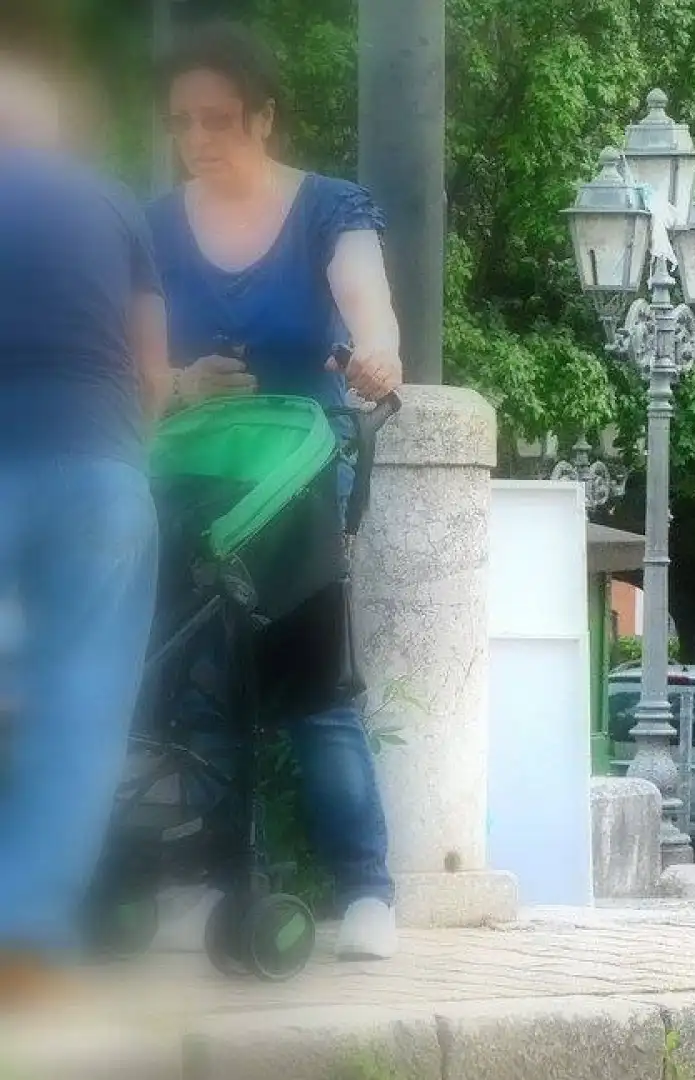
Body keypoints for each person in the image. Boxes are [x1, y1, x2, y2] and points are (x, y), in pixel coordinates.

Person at [147, 22, 404, 960]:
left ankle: (365, 891)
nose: (201, 139)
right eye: (183, 123)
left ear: (264, 117)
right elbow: (127, 357)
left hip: (296, 474)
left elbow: (367, 298)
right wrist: (175, 383)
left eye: (220, 120)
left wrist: (379, 347)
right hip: (190, 477)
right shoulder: (153, 224)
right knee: (199, 689)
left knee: (312, 686)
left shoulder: (331, 206)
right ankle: (214, 882)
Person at [0, 21, 168, 1006]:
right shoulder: (112, 204)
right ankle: (21, 937)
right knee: (79, 700)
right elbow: (151, 370)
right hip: (97, 471)